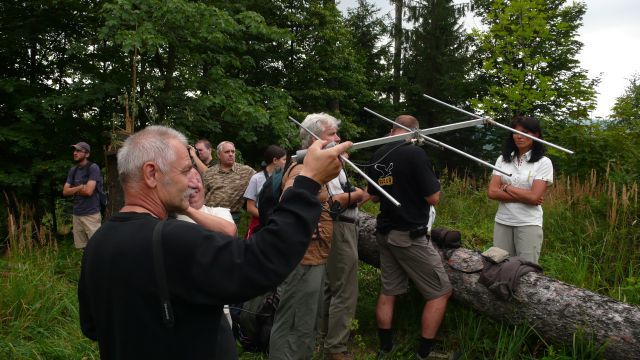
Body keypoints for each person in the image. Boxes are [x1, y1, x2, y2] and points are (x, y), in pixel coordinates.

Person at [78, 125, 352, 360]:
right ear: (151, 174)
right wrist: (307, 183)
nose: (193, 182)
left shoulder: (98, 244)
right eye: (186, 170)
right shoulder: (172, 239)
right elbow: (261, 263)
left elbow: (92, 327)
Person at [366, 115, 452, 360]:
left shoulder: (379, 153)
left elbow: (373, 195)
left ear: (391, 129)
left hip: (384, 232)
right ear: (415, 134)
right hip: (407, 235)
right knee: (440, 292)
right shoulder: (415, 154)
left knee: (389, 290)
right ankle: (424, 354)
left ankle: (385, 349)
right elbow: (433, 197)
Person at [269, 113, 341, 360]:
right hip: (303, 257)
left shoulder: (314, 169)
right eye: (331, 134)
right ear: (313, 139)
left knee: (308, 317)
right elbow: (288, 198)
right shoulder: (301, 169)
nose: (337, 138)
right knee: (296, 319)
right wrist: (300, 223)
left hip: (315, 256)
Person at [487, 115, 553, 264]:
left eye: (525, 132)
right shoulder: (503, 159)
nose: (519, 136)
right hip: (503, 220)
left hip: (528, 223)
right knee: (499, 264)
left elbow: (534, 197)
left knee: (526, 270)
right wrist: (527, 196)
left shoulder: (543, 162)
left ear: (536, 135)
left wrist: (506, 188)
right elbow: (492, 192)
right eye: (515, 132)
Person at [321, 147, 366, 359]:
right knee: (345, 290)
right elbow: (334, 202)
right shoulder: (326, 167)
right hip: (339, 226)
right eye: (333, 135)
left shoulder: (337, 169)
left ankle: (325, 337)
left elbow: (348, 197)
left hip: (344, 225)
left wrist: (358, 194)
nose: (340, 140)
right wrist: (356, 194)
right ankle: (336, 348)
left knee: (332, 286)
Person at [202, 141, 256, 224]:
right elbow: (201, 195)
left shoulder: (246, 171)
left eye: (233, 151)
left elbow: (262, 180)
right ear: (219, 155)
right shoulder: (208, 173)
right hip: (209, 215)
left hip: (231, 217)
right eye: (227, 152)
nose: (231, 154)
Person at [62, 141, 103, 249]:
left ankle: (98, 266)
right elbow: (65, 192)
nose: (75, 153)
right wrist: (80, 187)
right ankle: (86, 266)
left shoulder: (93, 168)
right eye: (75, 150)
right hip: (77, 214)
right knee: (82, 248)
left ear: (87, 154)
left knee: (96, 246)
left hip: (91, 214)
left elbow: (89, 191)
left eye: (79, 151)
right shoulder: (73, 170)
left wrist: (73, 190)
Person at [243, 145, 287, 238]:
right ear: (275, 160)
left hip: (278, 224)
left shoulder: (285, 178)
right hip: (259, 223)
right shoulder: (256, 178)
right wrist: (269, 218)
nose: (285, 162)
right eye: (284, 159)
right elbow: (250, 207)